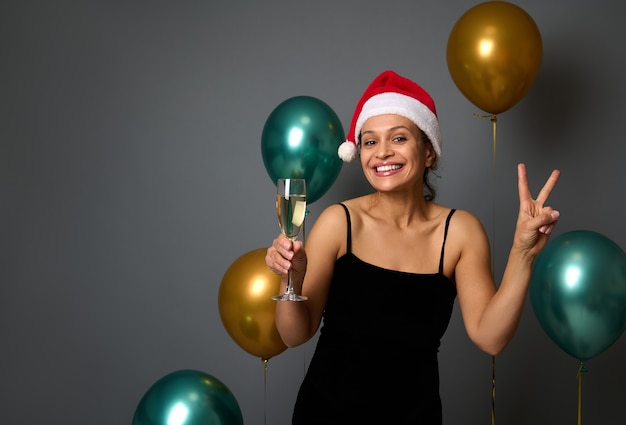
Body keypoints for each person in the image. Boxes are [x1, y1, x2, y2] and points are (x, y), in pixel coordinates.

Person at [265, 70, 560, 424]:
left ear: (429, 152)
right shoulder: (338, 222)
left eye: (399, 138)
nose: (382, 153)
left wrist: (522, 253)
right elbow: (294, 335)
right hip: (325, 413)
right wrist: (290, 278)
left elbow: (490, 338)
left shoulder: (460, 232)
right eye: (370, 142)